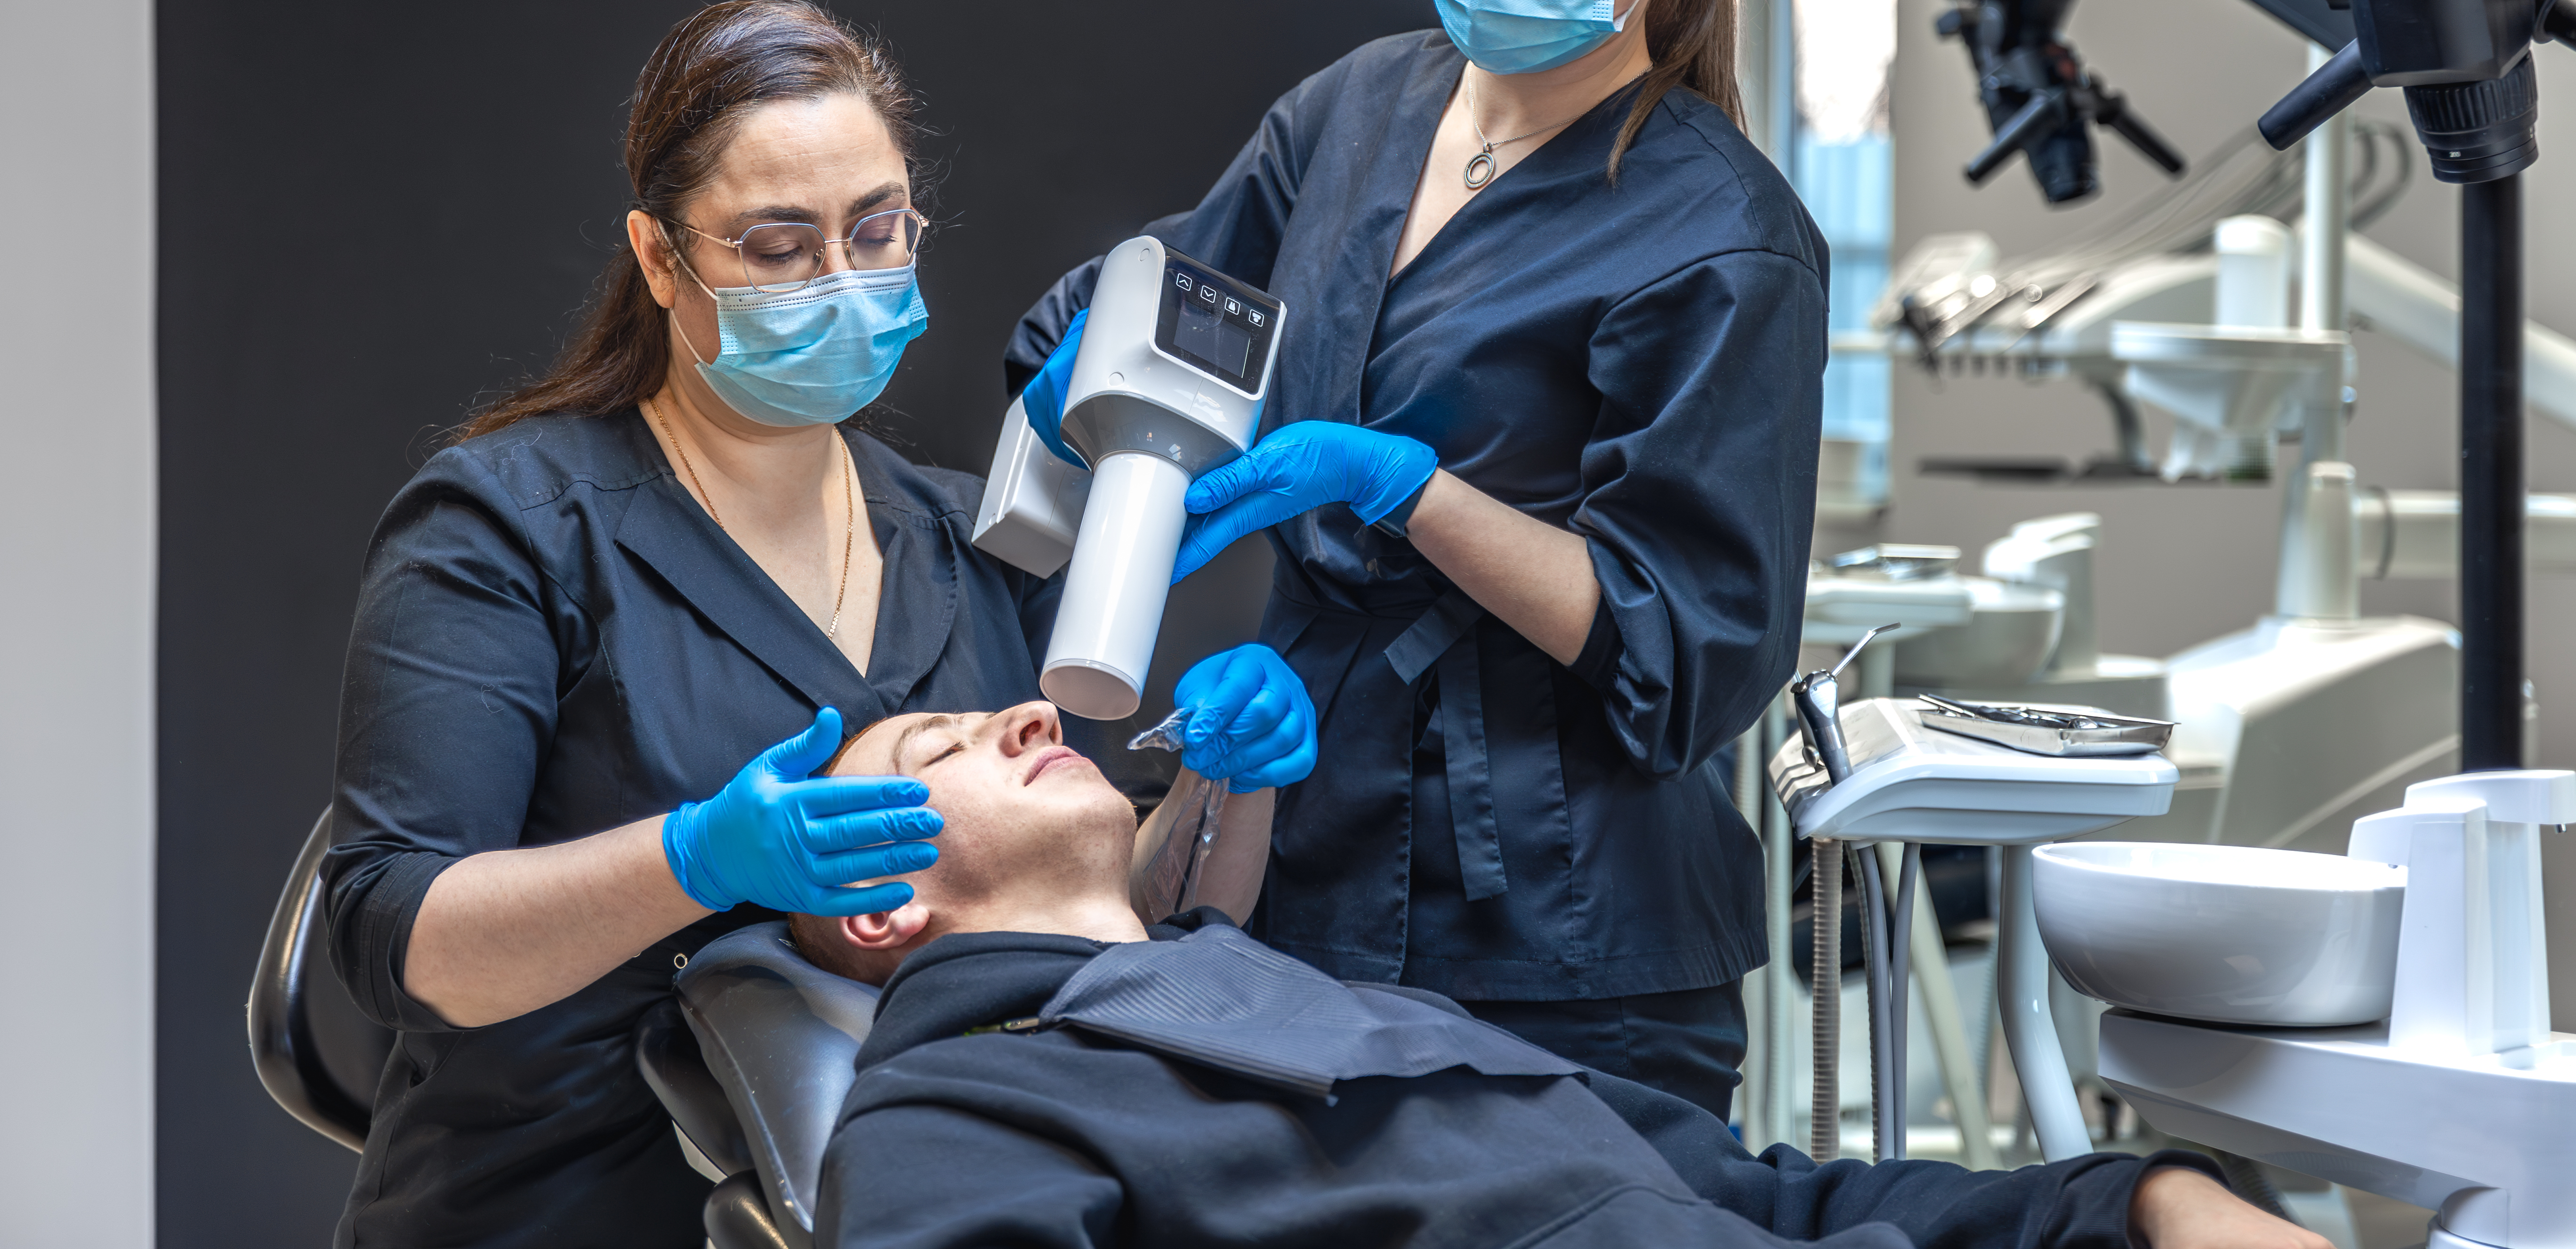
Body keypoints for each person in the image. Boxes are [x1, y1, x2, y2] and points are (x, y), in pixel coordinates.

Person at [321, 0, 1315, 1249]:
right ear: (660, 257)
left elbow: (1098, 909)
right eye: (779, 249)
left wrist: (1229, 789)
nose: (843, 283)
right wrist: (691, 862)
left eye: (878, 232)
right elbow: (395, 939)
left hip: (932, 1196)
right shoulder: (511, 527)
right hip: (558, 1207)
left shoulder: (967, 542)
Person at [1009, 0, 1821, 1120]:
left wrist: (1407, 488)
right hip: (1300, 857)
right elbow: (1167, 313)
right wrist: (1088, 345)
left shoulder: (1721, 239)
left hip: (1569, 939)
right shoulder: (1356, 110)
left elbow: (1685, 655)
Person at [801, 703, 2327, 1249]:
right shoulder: (961, 1098)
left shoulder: (1343, 1012)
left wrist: (2131, 1204)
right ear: (877, 912)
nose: (1012, 712)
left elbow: (1759, 1199)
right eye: (937, 751)